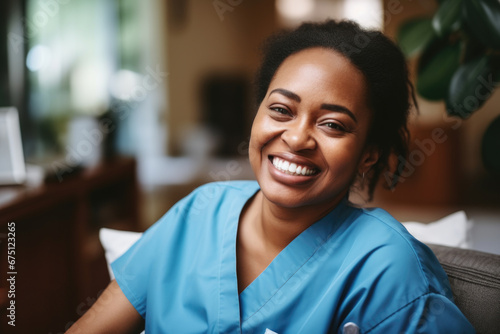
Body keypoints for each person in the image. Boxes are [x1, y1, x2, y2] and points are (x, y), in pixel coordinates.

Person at [67, 20, 475, 333]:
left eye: (333, 125)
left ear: (368, 155)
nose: (297, 138)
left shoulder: (387, 270)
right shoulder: (198, 213)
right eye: (281, 110)